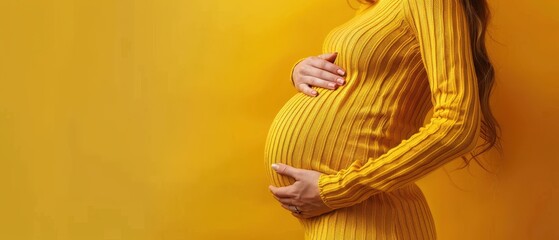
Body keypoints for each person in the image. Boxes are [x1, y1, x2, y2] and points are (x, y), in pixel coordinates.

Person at [264, 0, 502, 239]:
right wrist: (301, 71)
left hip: (373, 218)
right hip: (341, 217)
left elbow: (458, 126)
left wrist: (336, 190)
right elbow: (368, 82)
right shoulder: (373, 7)